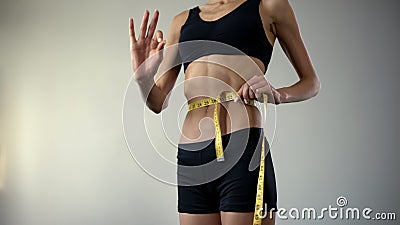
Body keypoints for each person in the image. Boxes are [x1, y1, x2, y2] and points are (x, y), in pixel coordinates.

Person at [128, 0, 320, 224]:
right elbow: (157, 102)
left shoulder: (269, 6)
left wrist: (278, 94)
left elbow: (311, 83)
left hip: (242, 148)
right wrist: (143, 78)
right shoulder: (181, 22)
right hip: (192, 156)